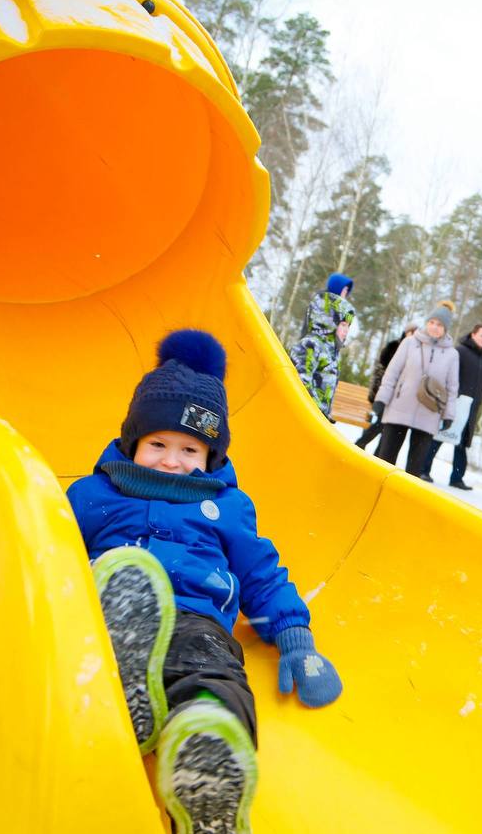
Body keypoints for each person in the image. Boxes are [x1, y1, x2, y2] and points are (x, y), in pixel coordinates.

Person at [67, 330, 342, 834]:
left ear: (211, 456)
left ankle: (207, 751)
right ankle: (127, 679)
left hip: (197, 620)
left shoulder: (226, 508)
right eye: (157, 444)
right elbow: (50, 547)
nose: (172, 460)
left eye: (190, 448)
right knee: (107, 599)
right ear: (133, 441)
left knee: (215, 674)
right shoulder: (93, 495)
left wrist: (294, 637)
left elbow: (261, 573)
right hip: (100, 611)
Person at [373, 301, 459, 478]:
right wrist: (382, 398)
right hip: (399, 407)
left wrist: (449, 415)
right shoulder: (409, 343)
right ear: (427, 322)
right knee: (385, 461)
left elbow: (452, 388)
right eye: (432, 322)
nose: (434, 327)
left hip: (428, 414)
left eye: (440, 325)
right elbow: (392, 372)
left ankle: (403, 501)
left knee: (414, 470)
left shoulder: (452, 354)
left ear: (446, 328)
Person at [422, 324, 482, 489]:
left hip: (471, 408)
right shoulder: (460, 352)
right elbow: (449, 375)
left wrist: (478, 403)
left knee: (462, 443)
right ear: (473, 335)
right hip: (455, 403)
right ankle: (423, 469)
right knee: (439, 437)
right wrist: (450, 398)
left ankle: (456, 478)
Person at [289, 273, 355, 420]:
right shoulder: (310, 345)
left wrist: (325, 413)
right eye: (343, 325)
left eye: (348, 326)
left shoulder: (333, 351)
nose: (346, 331)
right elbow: (300, 383)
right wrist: (317, 412)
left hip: (315, 420)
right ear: (331, 322)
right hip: (301, 418)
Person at [355, 324, 417, 452]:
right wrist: (379, 393)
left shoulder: (414, 351)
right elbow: (382, 370)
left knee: (387, 429)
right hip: (384, 392)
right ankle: (361, 443)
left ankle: (378, 454)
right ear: (406, 333)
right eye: (411, 332)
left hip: (398, 397)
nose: (413, 336)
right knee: (381, 424)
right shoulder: (393, 347)